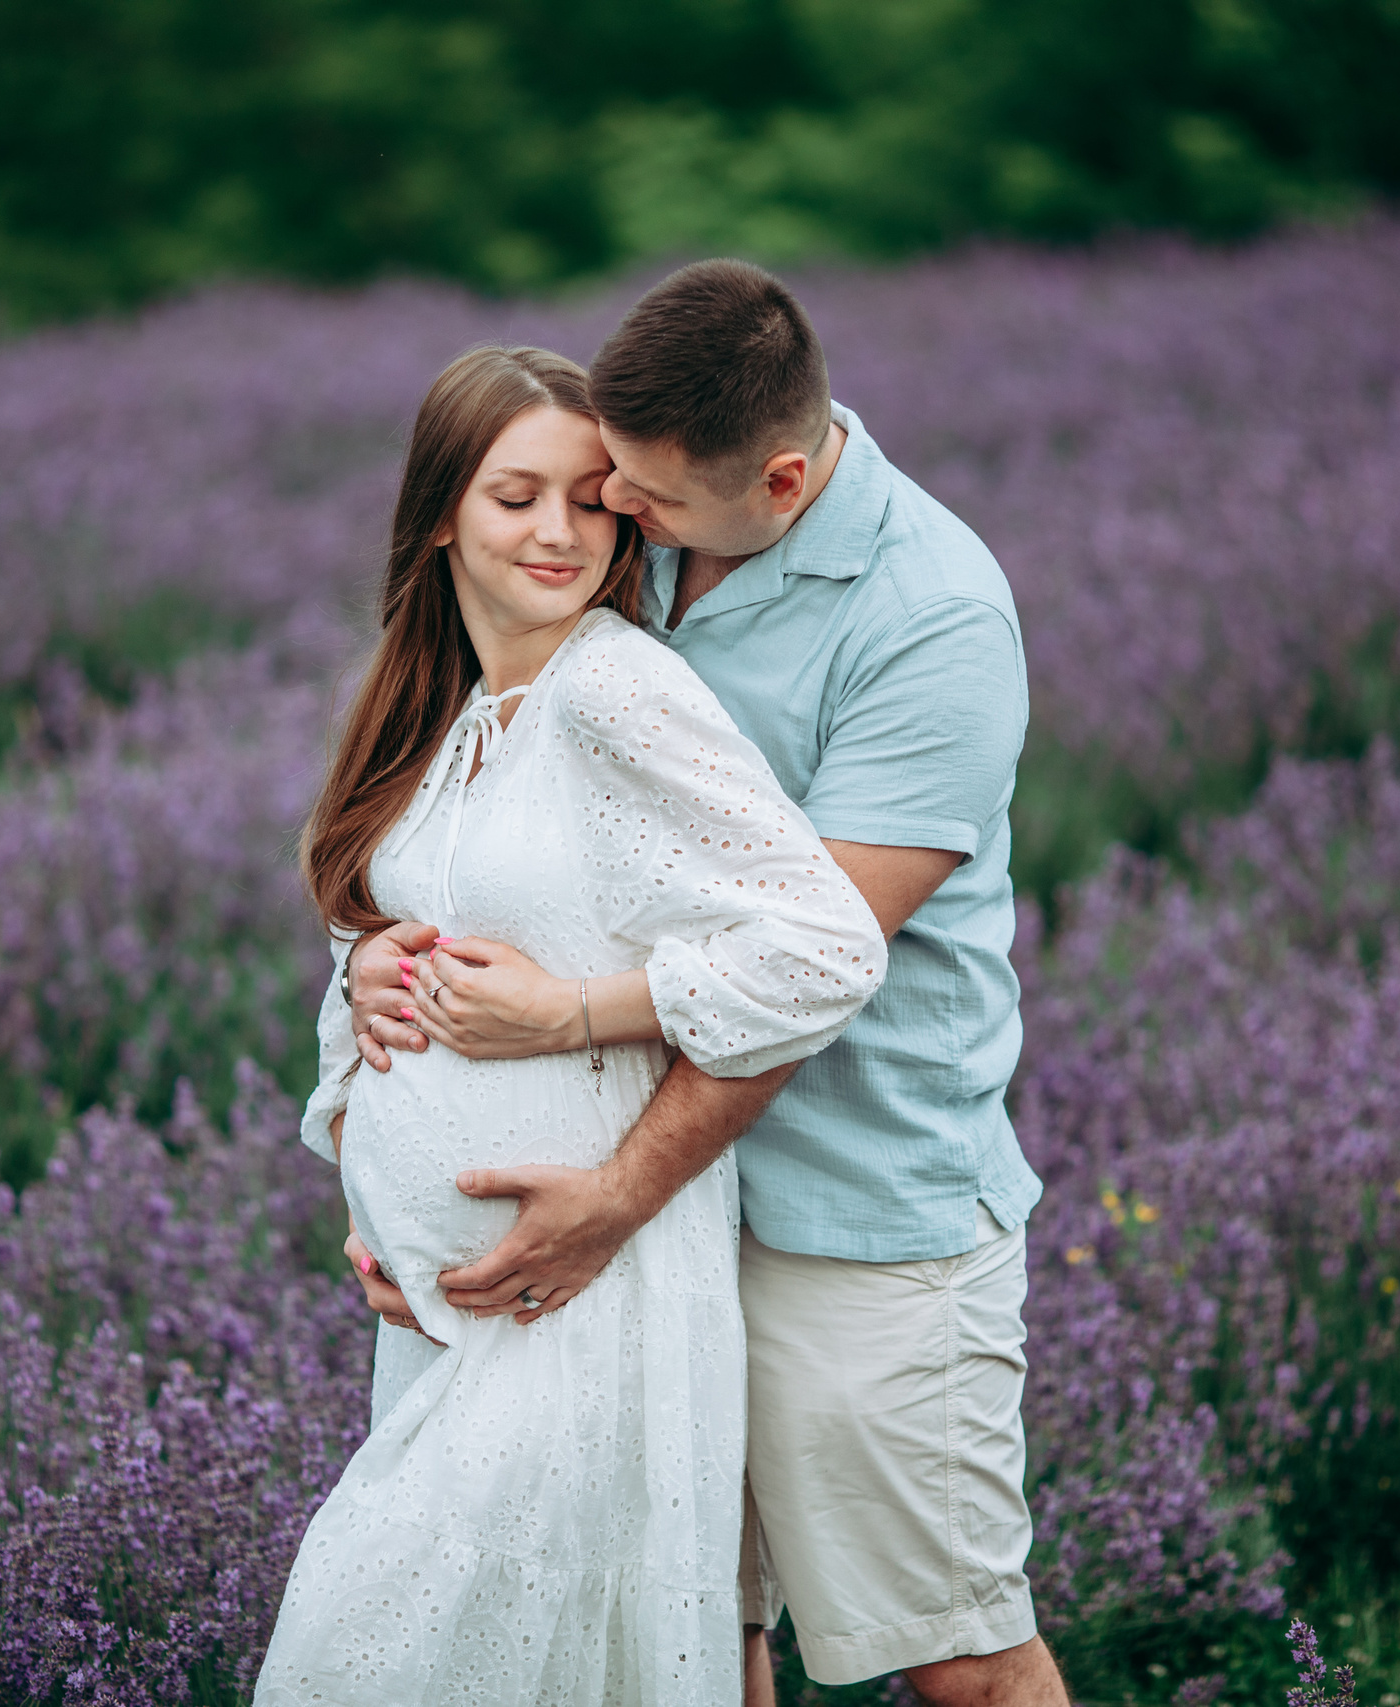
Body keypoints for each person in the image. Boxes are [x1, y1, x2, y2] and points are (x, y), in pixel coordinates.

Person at [342, 261, 1065, 1707]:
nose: (604, 520)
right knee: (688, 1642)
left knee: (956, 1655)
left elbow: (811, 971)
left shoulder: (933, 625)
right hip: (646, 1241)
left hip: (850, 1206)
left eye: (640, 502)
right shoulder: (635, 522)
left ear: (782, 479)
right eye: (595, 482)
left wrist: (592, 1124)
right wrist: (388, 1113)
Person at [255, 344, 889, 1705]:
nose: (559, 531)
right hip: (443, 1323)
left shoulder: (616, 691)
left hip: (585, 1301)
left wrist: (577, 1015)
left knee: (363, 1662)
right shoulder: (441, 719)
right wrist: (363, 1038)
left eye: (591, 501)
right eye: (514, 496)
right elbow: (376, 982)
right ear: (439, 515)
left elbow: (826, 948)